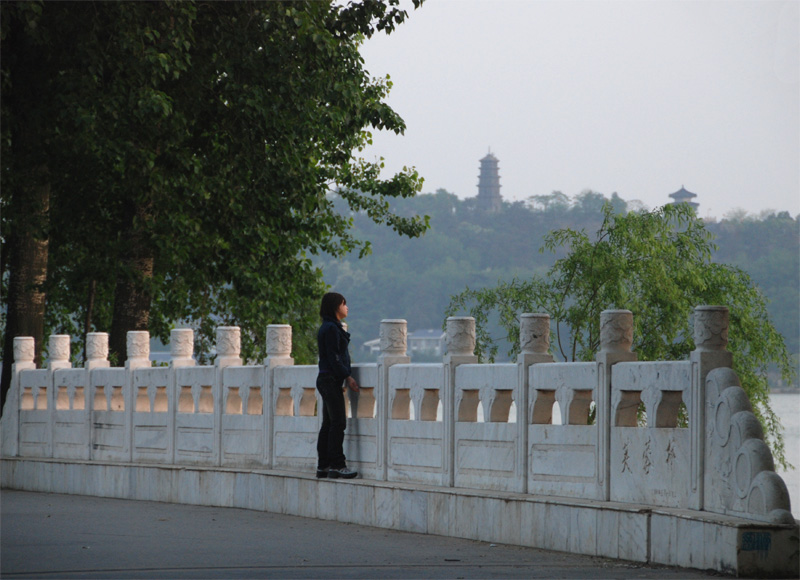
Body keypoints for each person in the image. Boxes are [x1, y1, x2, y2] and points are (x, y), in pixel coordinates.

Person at [315, 292, 359, 479]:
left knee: (328, 423)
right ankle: (337, 465)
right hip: (330, 379)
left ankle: (323, 466)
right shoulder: (332, 329)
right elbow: (334, 358)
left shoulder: (328, 327)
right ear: (335, 307)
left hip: (326, 379)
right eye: (344, 304)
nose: (347, 307)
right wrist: (347, 377)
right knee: (338, 423)